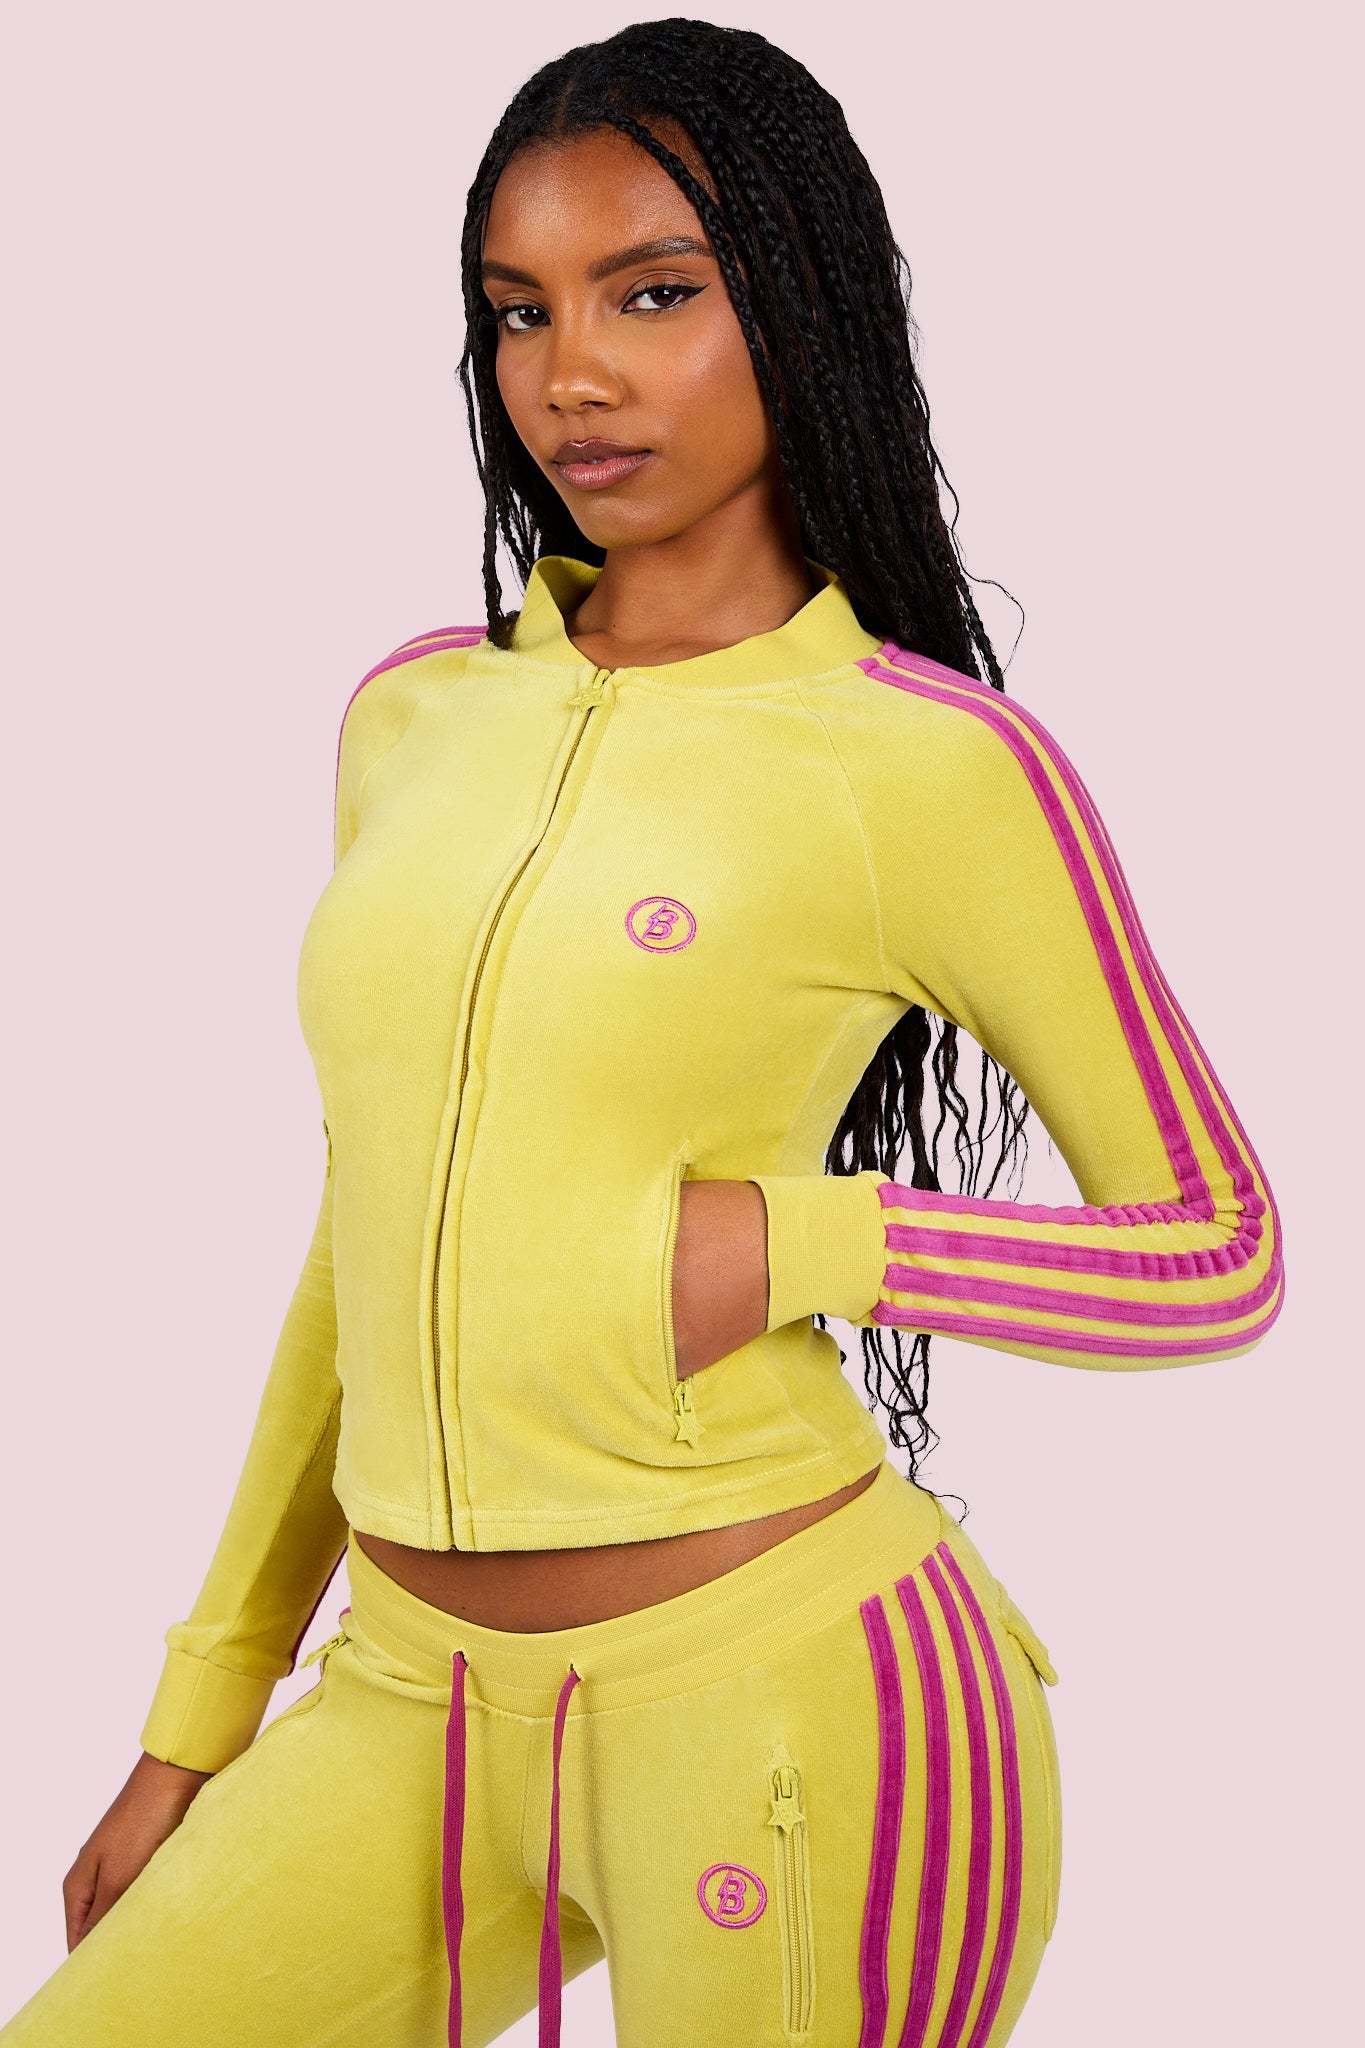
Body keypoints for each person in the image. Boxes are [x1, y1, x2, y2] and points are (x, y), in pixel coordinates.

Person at [1, 18, 1283, 2048]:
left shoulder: (929, 765)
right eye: (519, 312)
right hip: (410, 1700)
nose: (569, 375)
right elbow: (357, 1244)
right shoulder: (413, 719)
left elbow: (1215, 1251)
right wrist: (198, 1714)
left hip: (795, 1703)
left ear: (800, 304)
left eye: (653, 294)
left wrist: (800, 1241)